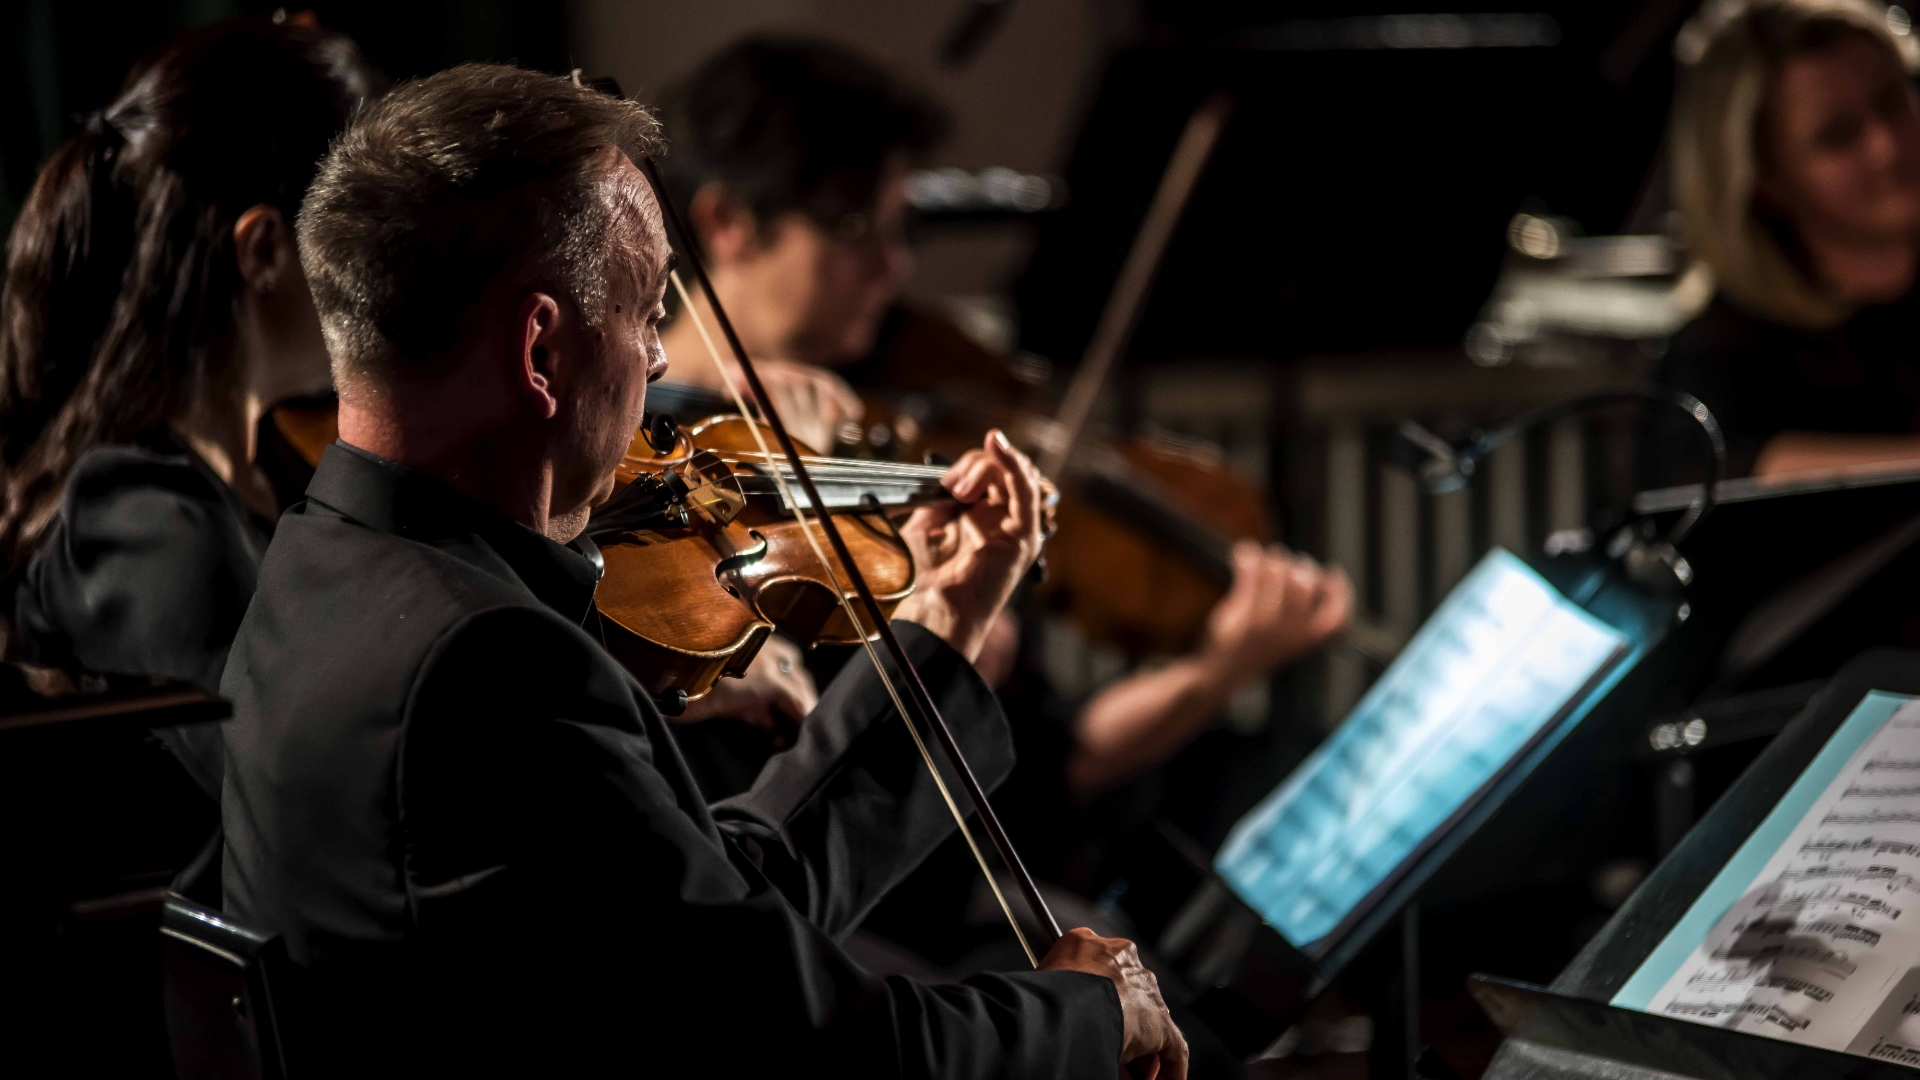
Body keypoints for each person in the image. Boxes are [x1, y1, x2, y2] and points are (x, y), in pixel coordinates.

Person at [219, 63, 1187, 1077]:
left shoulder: (316, 568)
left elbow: (717, 912)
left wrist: (944, 617)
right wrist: (1080, 1017)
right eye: (644, 316)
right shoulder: (491, 667)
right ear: (542, 351)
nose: (656, 364)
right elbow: (816, 1046)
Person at [655, 36, 1349, 840]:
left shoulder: (880, 433)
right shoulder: (652, 474)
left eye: (900, 229)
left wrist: (1224, 667)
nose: (893, 266)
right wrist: (922, 655)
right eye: (857, 228)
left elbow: (1047, 757)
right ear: (729, 223)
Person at [0, 16, 382, 798]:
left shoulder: (271, 469)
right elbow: (306, 800)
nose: (386, 277)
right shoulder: (140, 525)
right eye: (367, 237)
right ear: (265, 251)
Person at [1645, 0, 1920, 486]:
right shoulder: (1725, 347)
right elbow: (1722, 475)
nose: (1888, 146)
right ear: (1765, 179)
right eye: (1838, 135)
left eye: (1892, 101)